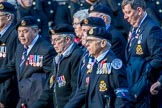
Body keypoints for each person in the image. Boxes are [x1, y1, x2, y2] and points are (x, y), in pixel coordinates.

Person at [65, 27, 130, 108]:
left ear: (103, 43)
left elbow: (122, 96)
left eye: (90, 41)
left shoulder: (114, 64)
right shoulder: (93, 63)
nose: (86, 44)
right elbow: (83, 91)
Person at [0, 16, 56, 108]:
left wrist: (42, 102)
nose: (21, 35)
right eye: (19, 31)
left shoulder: (46, 49)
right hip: (23, 99)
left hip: (38, 102)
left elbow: (52, 78)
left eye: (25, 31)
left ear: (35, 31)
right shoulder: (20, 47)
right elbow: (10, 68)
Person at [122, 0, 162, 107]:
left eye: (128, 12)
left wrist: (143, 75)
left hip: (146, 89)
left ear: (139, 10)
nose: (125, 17)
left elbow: (159, 57)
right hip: (134, 85)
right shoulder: (134, 27)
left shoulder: (152, 29)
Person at [49, 24, 83, 108]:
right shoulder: (57, 57)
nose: (52, 43)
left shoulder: (76, 55)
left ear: (67, 39)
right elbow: (51, 86)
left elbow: (76, 90)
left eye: (56, 40)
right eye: (52, 40)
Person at [0, 2, 19, 108]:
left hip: (7, 95)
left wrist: (3, 99)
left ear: (8, 18)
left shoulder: (14, 35)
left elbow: (11, 68)